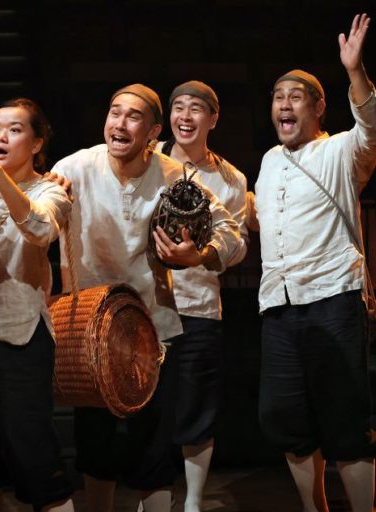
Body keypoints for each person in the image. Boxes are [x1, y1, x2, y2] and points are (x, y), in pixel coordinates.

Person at [48, 84, 240, 512]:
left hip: (152, 329)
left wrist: (200, 255)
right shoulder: (74, 168)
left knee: (152, 452)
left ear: (153, 132)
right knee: (95, 445)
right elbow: (35, 214)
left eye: (133, 116)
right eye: (114, 112)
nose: (119, 123)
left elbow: (230, 232)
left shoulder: (174, 174)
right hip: (90, 328)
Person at [255, 14, 376, 512]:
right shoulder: (268, 161)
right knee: (284, 417)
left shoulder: (340, 150)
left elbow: (375, 131)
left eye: (295, 96)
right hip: (278, 305)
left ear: (317, 108)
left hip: (332, 296)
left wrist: (355, 71)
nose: (284, 104)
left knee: (345, 419)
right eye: (277, 97)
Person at [0, 98, 74, 511]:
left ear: (37, 143)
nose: (1, 137)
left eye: (15, 129)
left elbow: (39, 229)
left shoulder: (51, 189)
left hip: (21, 334)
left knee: (32, 451)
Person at [156, 80, 249, 512]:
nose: (185, 116)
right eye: (178, 107)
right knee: (150, 409)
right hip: (148, 306)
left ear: (213, 119)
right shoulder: (148, 160)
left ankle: (193, 502)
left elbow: (237, 245)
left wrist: (203, 254)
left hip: (200, 309)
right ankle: (151, 496)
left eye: (196, 108)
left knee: (197, 407)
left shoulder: (231, 179)